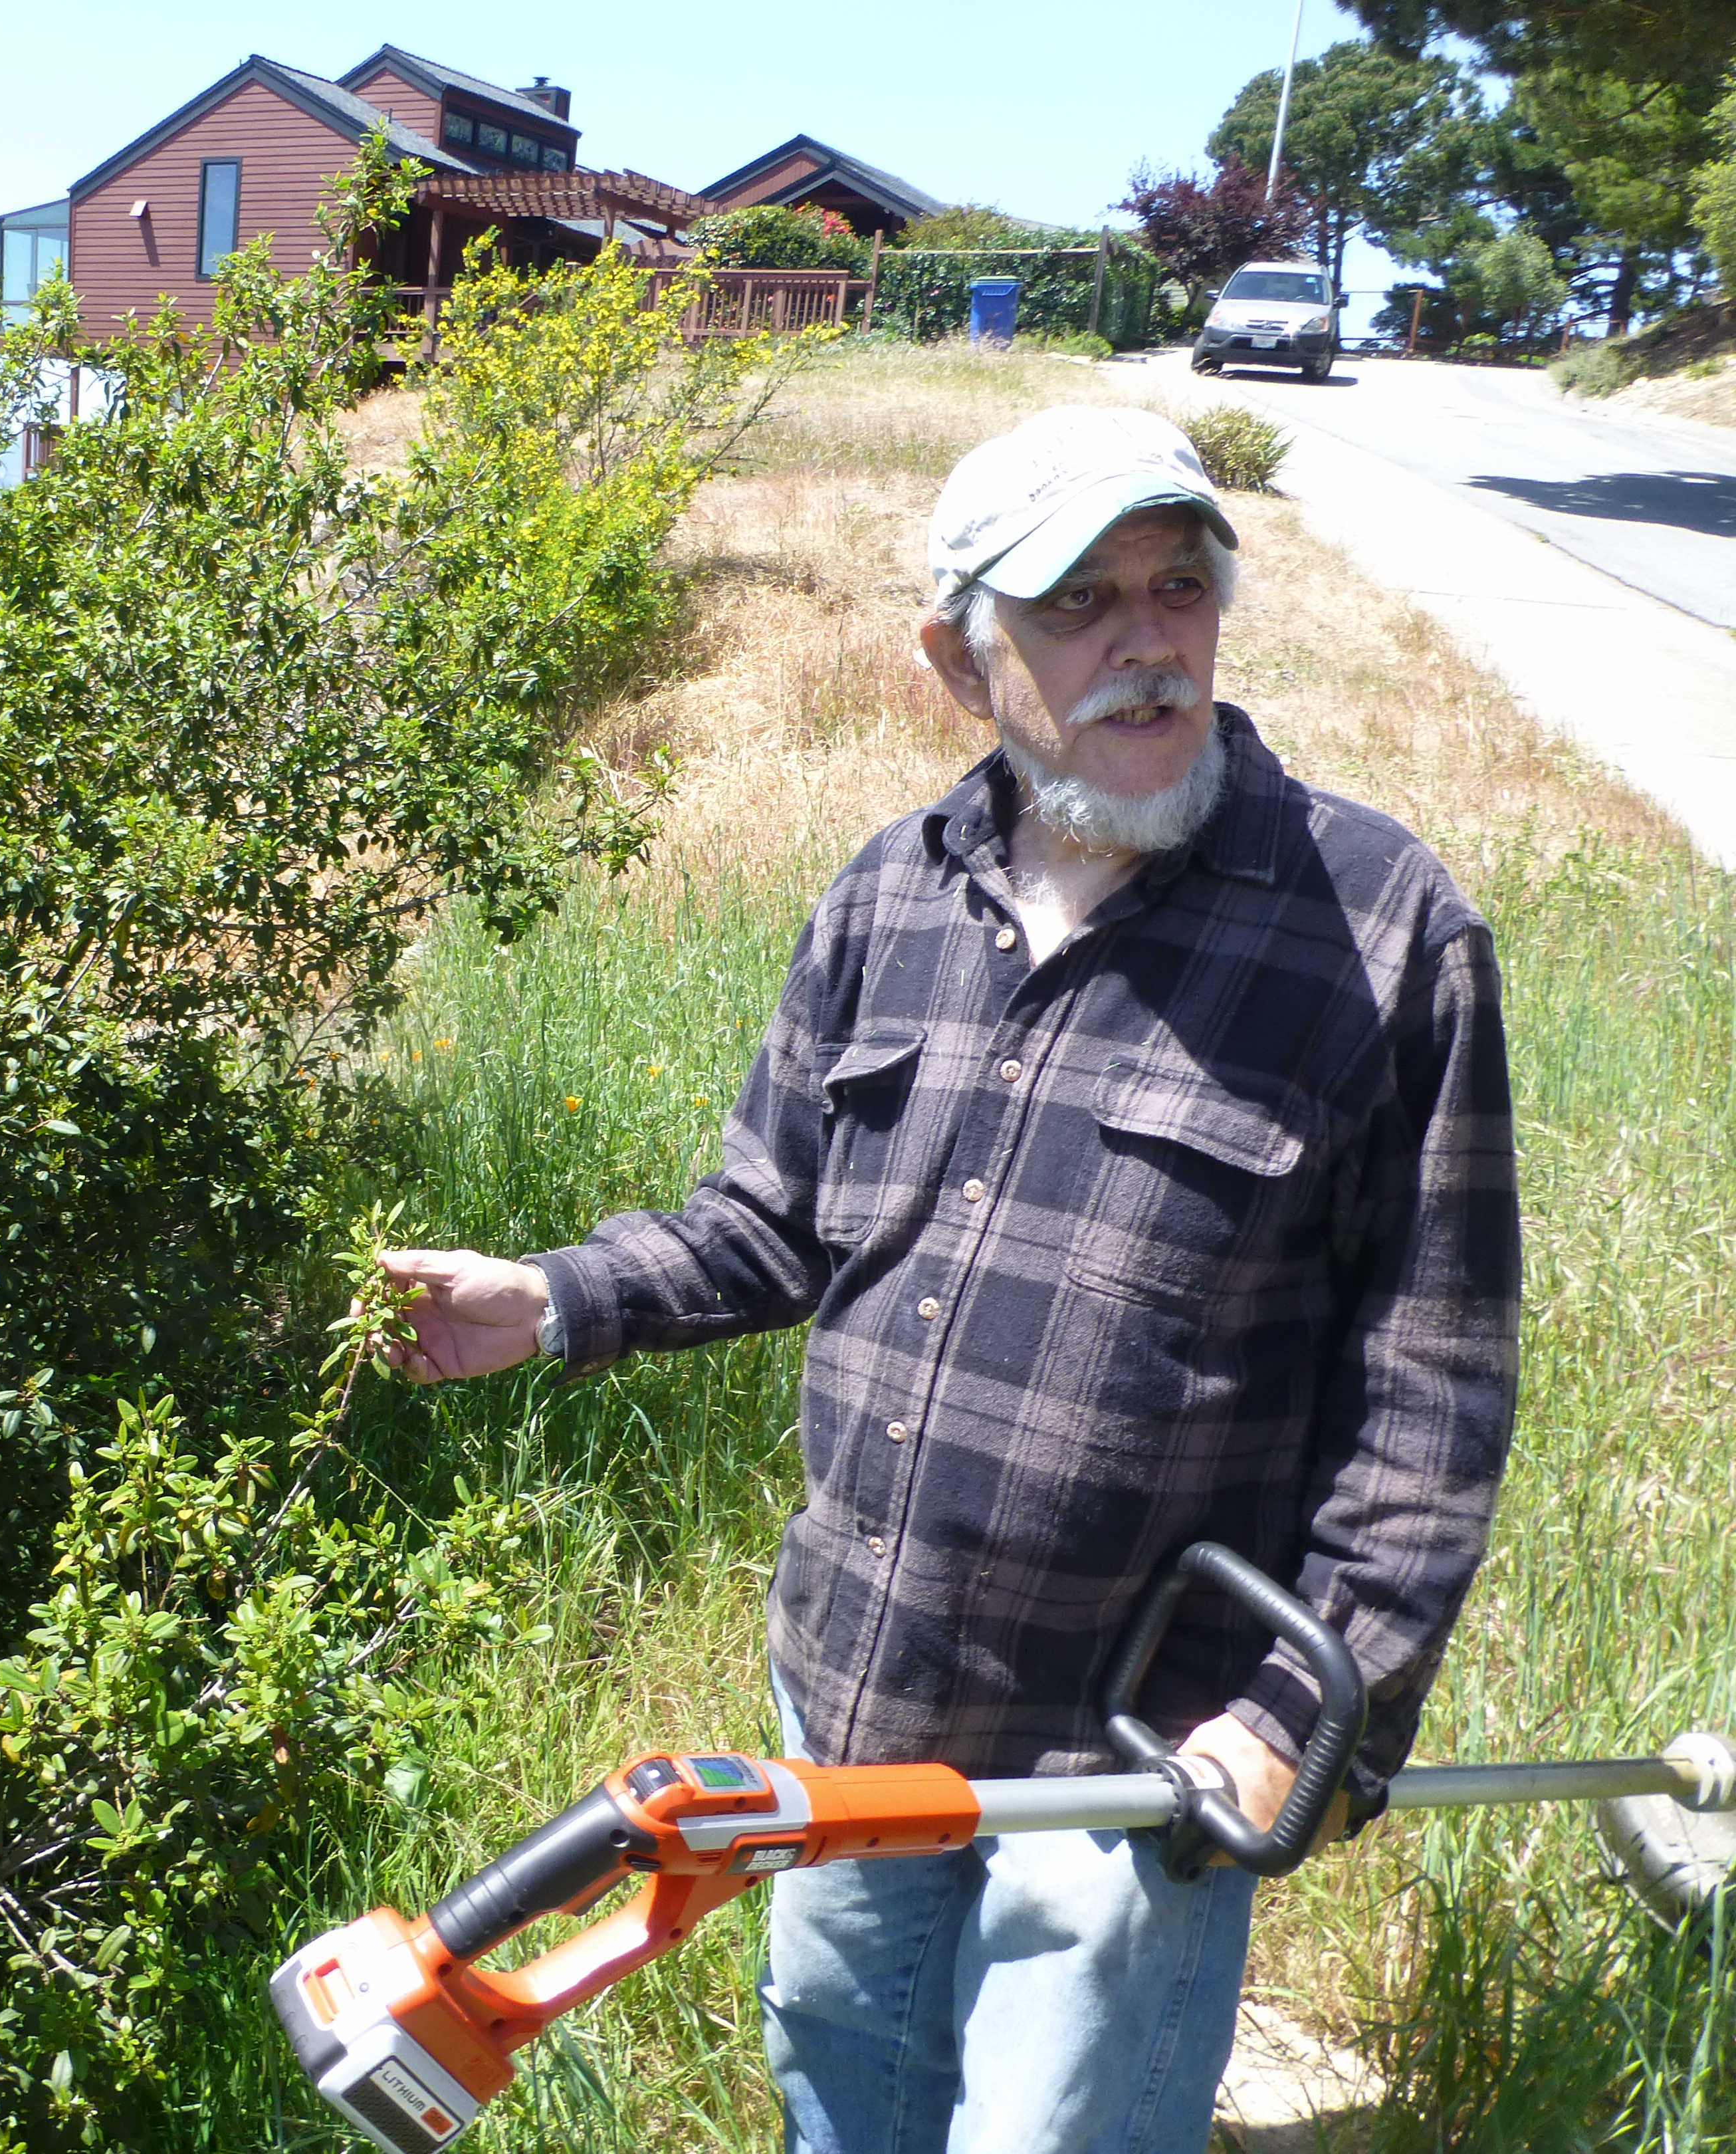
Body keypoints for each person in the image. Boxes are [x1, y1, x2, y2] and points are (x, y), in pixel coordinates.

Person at [375, 406, 1521, 2154]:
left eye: (1179, 587)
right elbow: (770, 1218)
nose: (1148, 643)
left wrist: (1303, 1711)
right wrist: (550, 1299)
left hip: (1134, 1756)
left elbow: (1433, 1382)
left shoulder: (1379, 930)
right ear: (957, 658)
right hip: (857, 1691)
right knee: (843, 2102)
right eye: (1079, 604)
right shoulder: (887, 899)